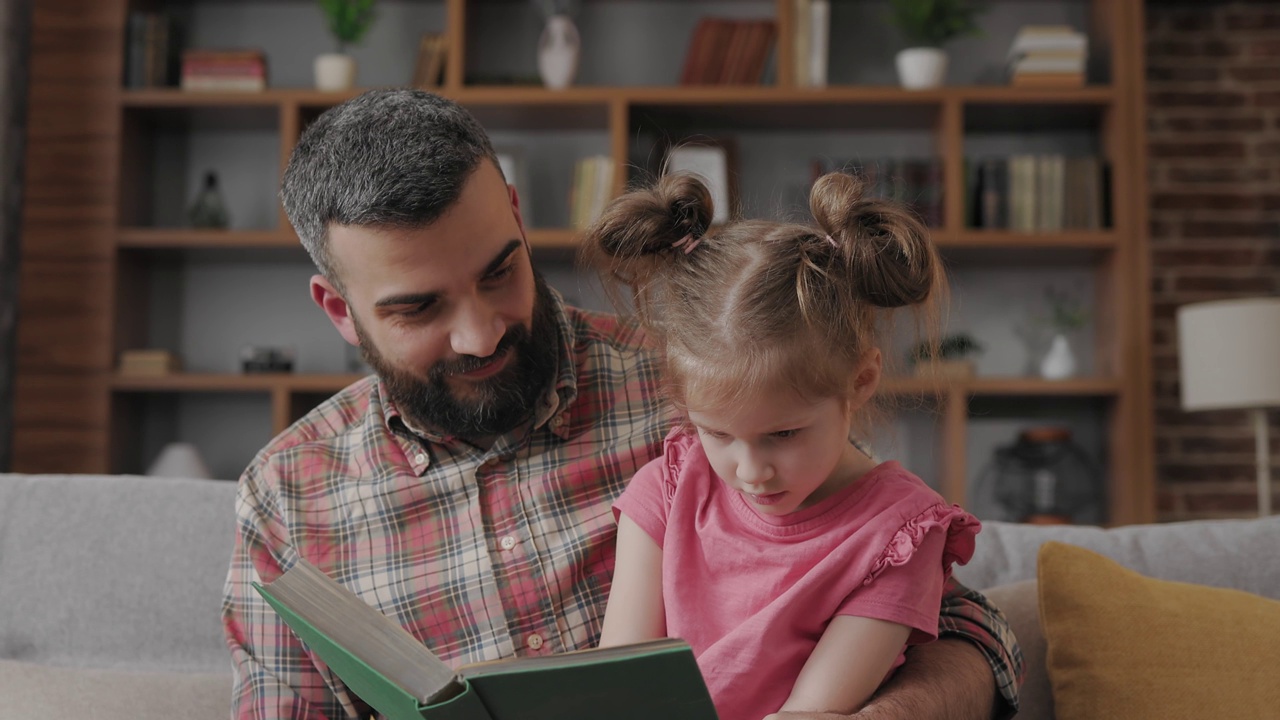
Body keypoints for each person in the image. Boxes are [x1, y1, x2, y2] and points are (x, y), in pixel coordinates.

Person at [221, 88, 1023, 720]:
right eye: (418, 309)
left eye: (500, 271)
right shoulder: (288, 496)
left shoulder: (702, 378)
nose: (478, 333)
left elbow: (961, 626)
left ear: (516, 213)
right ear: (338, 309)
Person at [588, 170, 982, 720]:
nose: (751, 471)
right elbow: (618, 686)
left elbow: (809, 713)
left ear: (861, 381)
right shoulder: (667, 489)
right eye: (719, 433)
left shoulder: (900, 535)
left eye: (784, 434)